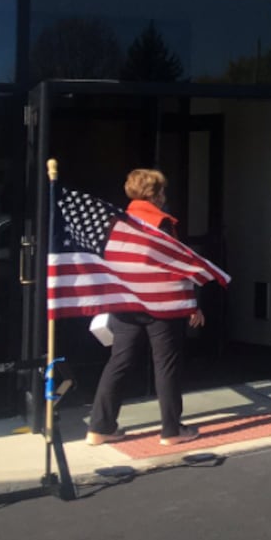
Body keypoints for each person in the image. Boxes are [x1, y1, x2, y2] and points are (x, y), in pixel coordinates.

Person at [86, 168, 202, 447]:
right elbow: (174, 265)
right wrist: (191, 304)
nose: (164, 196)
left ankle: (100, 427)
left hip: (125, 301)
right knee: (166, 364)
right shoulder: (160, 223)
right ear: (156, 194)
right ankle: (171, 430)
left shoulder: (116, 221)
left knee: (119, 361)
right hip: (161, 303)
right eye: (162, 191)